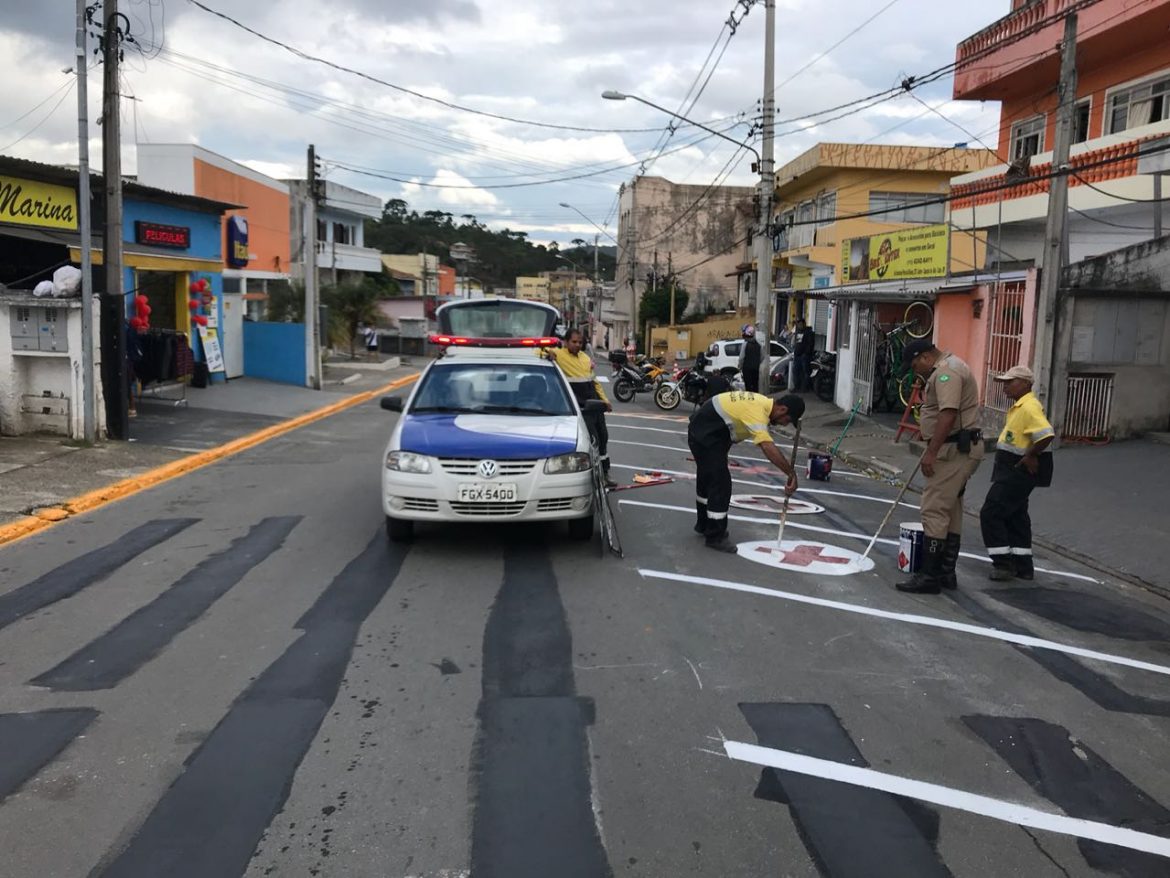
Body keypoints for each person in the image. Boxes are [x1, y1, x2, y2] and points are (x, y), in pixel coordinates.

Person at [897, 339, 984, 594]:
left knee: (934, 509)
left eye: (915, 365)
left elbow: (948, 413)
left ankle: (930, 576)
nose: (915, 371)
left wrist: (931, 452)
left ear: (925, 357)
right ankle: (946, 572)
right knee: (951, 509)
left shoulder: (947, 372)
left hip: (952, 451)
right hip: (957, 448)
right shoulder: (949, 367)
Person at [688, 391, 804, 553]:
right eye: (787, 420)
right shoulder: (757, 412)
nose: (784, 424)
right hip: (705, 435)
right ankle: (715, 536)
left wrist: (722, 453)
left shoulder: (761, 402)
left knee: (708, 477)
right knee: (720, 484)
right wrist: (791, 474)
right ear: (782, 409)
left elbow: (728, 424)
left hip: (706, 432)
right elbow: (767, 446)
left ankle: (704, 525)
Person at [980, 365, 1054, 581]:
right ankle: (1023, 566)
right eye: (1004, 382)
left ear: (1025, 384)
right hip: (1012, 469)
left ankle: (1003, 563)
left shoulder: (1029, 407)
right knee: (1016, 516)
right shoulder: (1020, 406)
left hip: (1017, 471)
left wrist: (1031, 455)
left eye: (1010, 382)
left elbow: (1047, 434)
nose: (1005, 387)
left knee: (991, 512)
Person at [547, 328, 617, 488]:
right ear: (565, 342)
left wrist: (605, 400)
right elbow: (538, 350)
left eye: (580, 342)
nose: (577, 345)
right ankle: (595, 476)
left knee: (603, 438)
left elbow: (595, 382)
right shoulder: (558, 354)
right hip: (581, 408)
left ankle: (605, 473)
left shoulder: (585, 358)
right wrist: (547, 354)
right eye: (574, 342)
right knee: (593, 441)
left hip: (596, 405)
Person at [737, 324, 762, 393]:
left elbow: (741, 357)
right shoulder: (759, 345)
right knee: (755, 385)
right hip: (756, 368)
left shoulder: (745, 344)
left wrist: (740, 366)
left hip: (747, 368)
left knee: (748, 386)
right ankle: (756, 401)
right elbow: (761, 357)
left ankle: (749, 401)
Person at [792, 318, 815, 392]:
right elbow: (797, 343)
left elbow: (810, 344)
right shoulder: (798, 332)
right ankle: (796, 387)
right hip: (797, 355)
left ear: (804, 324)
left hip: (804, 356)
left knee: (805, 372)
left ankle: (805, 388)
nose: (799, 326)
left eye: (801, 324)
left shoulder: (809, 332)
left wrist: (805, 353)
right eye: (798, 324)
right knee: (796, 371)